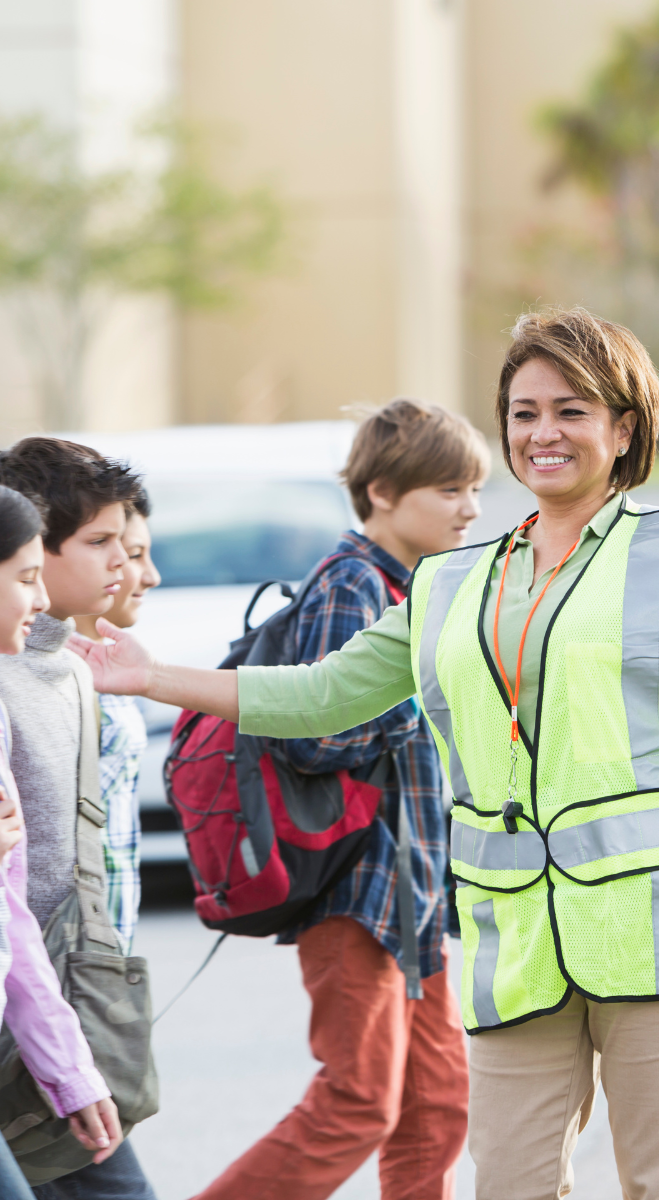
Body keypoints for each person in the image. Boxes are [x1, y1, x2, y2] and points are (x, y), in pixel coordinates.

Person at [70, 306, 659, 1200]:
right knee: (513, 1187)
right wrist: (152, 676)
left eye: (571, 410)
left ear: (623, 426)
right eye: (524, 412)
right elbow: (323, 693)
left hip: (658, 933)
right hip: (518, 938)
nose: (543, 433)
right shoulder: (451, 580)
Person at [192, 399, 483, 1200]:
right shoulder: (354, 584)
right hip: (357, 890)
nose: (472, 508)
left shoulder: (408, 584)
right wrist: (424, 694)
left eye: (474, 489)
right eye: (451, 490)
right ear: (384, 491)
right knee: (356, 1103)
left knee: (435, 1106)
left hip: (411, 892)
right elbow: (316, 734)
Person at [0, 440, 157, 1200]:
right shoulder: (7, 674)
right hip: (22, 997)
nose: (121, 568)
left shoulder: (72, 669)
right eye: (97, 544)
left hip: (58, 993)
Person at [74, 484, 161, 955]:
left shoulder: (119, 670)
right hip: (68, 950)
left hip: (104, 948)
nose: (147, 575)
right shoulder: (48, 677)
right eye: (135, 554)